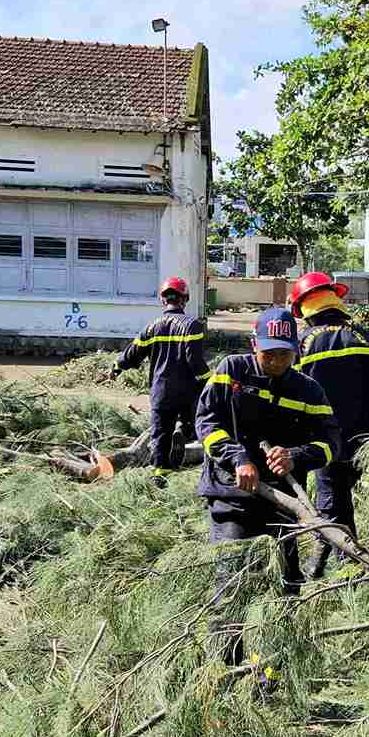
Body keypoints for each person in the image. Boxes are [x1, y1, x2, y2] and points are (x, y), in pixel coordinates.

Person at [195, 307, 343, 661]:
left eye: (284, 355)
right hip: (232, 498)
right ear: (254, 346)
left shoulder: (308, 389)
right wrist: (238, 458)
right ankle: (224, 667)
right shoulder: (231, 370)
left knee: (286, 586)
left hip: (281, 505)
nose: (276, 362)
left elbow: (331, 442)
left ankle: (274, 669)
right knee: (233, 585)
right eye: (269, 354)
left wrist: (297, 456)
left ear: (296, 351)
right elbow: (206, 423)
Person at [289, 272, 369, 579]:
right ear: (335, 301)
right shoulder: (366, 338)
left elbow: (290, 390)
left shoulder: (302, 345)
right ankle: (341, 558)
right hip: (365, 434)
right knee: (341, 494)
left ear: (306, 309)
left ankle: (333, 559)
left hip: (323, 437)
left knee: (331, 495)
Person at [112, 275, 212, 487]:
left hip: (160, 391)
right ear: (185, 299)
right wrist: (210, 382)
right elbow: (195, 361)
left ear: (163, 299)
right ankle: (181, 431)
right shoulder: (193, 325)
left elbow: (132, 354)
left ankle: (160, 475)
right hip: (186, 391)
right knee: (193, 424)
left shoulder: (151, 327)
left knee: (159, 434)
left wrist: (116, 367)